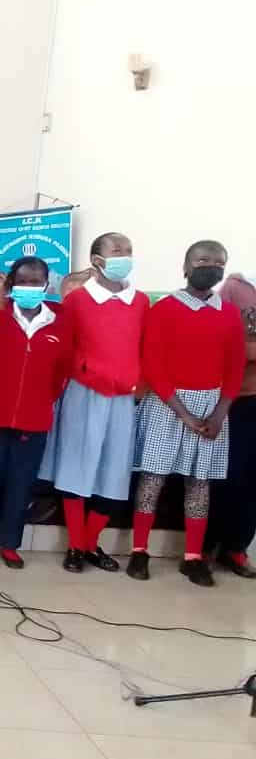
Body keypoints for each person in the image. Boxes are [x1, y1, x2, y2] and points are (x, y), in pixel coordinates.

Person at [127, 240, 246, 587]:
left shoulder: (228, 313)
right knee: (152, 480)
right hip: (168, 405)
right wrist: (182, 412)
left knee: (199, 484)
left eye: (219, 262)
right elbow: (153, 364)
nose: (211, 266)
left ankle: (193, 557)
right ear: (186, 266)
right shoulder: (163, 309)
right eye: (203, 260)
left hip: (212, 408)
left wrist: (221, 412)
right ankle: (139, 551)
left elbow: (236, 365)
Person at [38, 233, 149, 572]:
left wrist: (138, 385)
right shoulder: (78, 301)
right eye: (117, 251)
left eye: (128, 251)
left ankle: (90, 543)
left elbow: (146, 347)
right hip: (84, 392)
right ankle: (75, 545)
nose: (124, 256)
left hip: (122, 397)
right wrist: (86, 372)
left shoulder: (141, 301)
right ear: (96, 261)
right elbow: (65, 349)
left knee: (113, 470)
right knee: (77, 466)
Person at [0, 257, 71, 568]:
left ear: (47, 286)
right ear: (10, 285)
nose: (30, 287)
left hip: (33, 422)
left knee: (21, 485)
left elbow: (61, 375)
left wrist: (39, 403)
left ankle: (10, 543)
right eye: (24, 281)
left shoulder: (59, 327)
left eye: (37, 282)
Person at [207, 269, 256, 577]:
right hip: (238, 397)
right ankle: (206, 546)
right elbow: (219, 339)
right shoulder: (237, 288)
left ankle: (236, 548)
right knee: (228, 473)